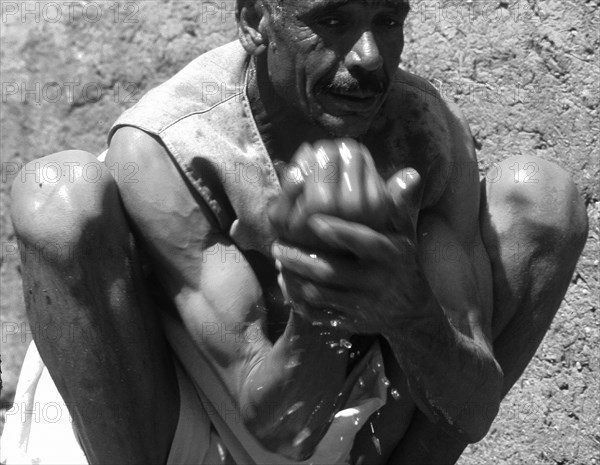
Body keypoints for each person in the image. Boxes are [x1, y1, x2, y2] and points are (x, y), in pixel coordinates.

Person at [5, 0, 587, 464]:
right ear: (256, 21)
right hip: (183, 427)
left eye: (388, 20)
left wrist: (410, 312)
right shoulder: (175, 148)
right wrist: (323, 299)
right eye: (331, 20)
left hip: (347, 423)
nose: (368, 57)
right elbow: (280, 431)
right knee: (57, 197)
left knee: (544, 197)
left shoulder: (426, 139)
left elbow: (473, 406)